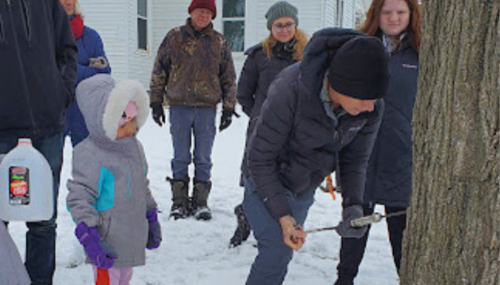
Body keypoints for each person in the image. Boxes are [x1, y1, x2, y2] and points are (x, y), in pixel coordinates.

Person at [242, 28, 391, 285]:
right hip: (265, 178)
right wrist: (283, 215)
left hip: (303, 184)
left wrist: (353, 206)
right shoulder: (289, 89)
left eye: (375, 98)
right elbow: (259, 158)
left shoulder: (371, 107)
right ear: (342, 84)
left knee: (284, 250)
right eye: (366, 98)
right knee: (276, 252)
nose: (371, 107)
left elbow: (355, 161)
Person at [334, 0, 421, 284]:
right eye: (386, 11)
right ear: (376, 15)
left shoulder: (423, 52)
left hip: (403, 156)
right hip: (362, 154)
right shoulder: (360, 47)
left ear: (411, 14)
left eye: (400, 12)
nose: (393, 18)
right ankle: (344, 279)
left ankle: (406, 278)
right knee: (355, 223)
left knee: (403, 233)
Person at [0, 0, 77, 284]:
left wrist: (61, 94)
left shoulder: (47, 4)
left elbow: (67, 49)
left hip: (47, 129)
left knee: (44, 221)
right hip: (2, 131)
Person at [67, 74, 162, 285]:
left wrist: (151, 215)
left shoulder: (134, 147)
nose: (130, 126)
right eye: (123, 119)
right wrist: (89, 235)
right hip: (106, 241)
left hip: (130, 236)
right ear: (102, 118)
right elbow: (79, 197)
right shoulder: (90, 153)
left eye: (132, 119)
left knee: (124, 280)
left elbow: (141, 185)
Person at [229, 1, 308, 248]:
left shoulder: (308, 55)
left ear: (295, 25)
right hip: (262, 131)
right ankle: (245, 221)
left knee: (286, 178)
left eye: (288, 24)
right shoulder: (258, 56)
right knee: (255, 176)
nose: (284, 30)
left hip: (296, 132)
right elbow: (243, 94)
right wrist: (261, 118)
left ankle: (280, 229)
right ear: (270, 27)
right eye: (278, 25)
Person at [149, 0, 237, 221]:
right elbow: (160, 69)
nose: (203, 16)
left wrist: (228, 107)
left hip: (207, 109)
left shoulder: (219, 42)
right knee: (180, 156)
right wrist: (156, 102)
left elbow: (228, 77)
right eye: (200, 11)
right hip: (179, 106)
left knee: (203, 157)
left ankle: (200, 203)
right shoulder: (174, 37)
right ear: (191, 12)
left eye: (208, 12)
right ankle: (179, 203)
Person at [60, 0, 112, 147]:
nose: (68, 2)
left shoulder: (91, 36)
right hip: (55, 111)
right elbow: (46, 70)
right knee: (51, 165)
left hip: (84, 112)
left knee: (87, 166)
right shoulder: (46, 36)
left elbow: (104, 74)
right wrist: (87, 68)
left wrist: (68, 70)